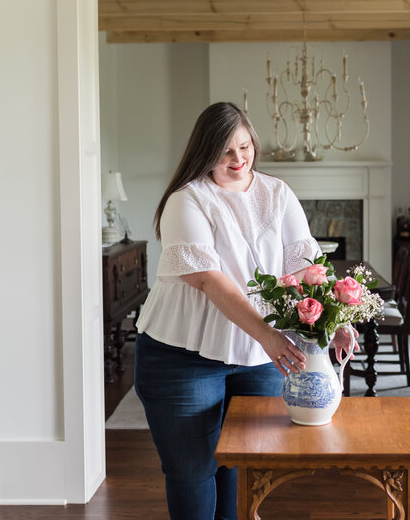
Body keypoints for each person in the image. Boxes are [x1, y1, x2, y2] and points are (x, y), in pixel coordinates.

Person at [133, 102, 357, 520]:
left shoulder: (277, 193)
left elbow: (306, 268)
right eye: (225, 151)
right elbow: (208, 279)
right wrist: (270, 335)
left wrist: (332, 322)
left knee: (243, 464)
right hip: (181, 356)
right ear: (205, 153)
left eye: (244, 146)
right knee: (193, 471)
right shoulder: (188, 199)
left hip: (256, 357)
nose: (238, 159)